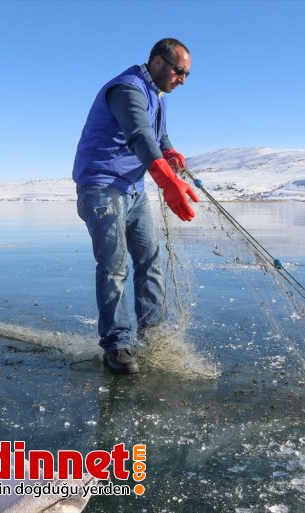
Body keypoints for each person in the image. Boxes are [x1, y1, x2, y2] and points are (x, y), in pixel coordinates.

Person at [72, 38, 198, 375]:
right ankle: (117, 345)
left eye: (187, 74)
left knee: (149, 259)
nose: (182, 80)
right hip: (102, 186)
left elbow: (159, 136)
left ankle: (151, 334)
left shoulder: (157, 95)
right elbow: (140, 136)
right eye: (179, 71)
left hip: (132, 188)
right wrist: (166, 179)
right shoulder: (127, 89)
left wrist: (170, 154)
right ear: (158, 62)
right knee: (114, 266)